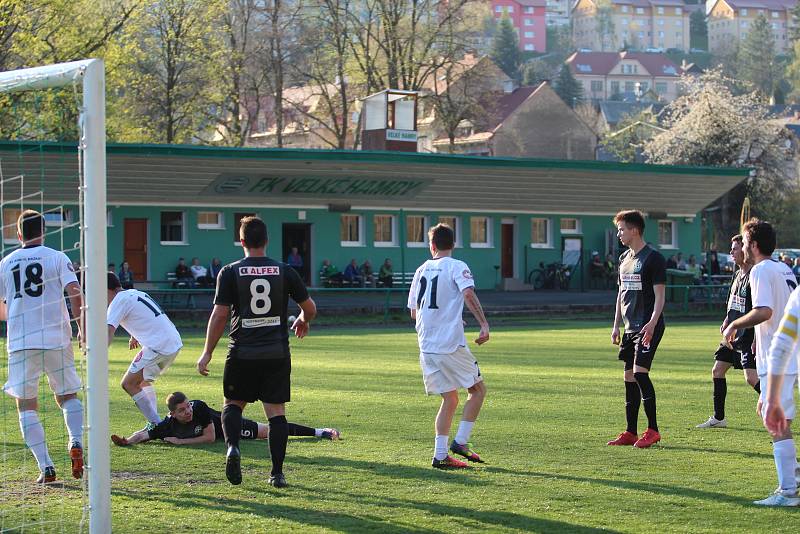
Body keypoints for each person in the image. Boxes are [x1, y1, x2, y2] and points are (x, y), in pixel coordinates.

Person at [196, 216, 317, 488]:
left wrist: (207, 353)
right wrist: (302, 320)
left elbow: (219, 315)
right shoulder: (285, 270)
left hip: (242, 352)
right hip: (276, 353)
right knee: (276, 413)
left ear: (242, 242)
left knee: (232, 404)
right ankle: (276, 473)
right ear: (267, 241)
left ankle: (233, 448)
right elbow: (310, 308)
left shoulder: (229, 271)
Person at [0, 210, 84, 483]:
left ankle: (46, 467)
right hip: (56, 339)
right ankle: (75, 441)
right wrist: (81, 328)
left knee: (26, 405)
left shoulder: (6, 262)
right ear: (44, 231)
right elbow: (75, 291)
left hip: (21, 342)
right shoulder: (57, 257)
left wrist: (14, 313)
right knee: (67, 395)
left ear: (19, 233)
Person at [723, 219, 799, 506]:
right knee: (770, 414)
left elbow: (764, 310)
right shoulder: (783, 267)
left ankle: (788, 492)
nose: (741, 247)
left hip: (777, 358)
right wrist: (757, 336)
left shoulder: (760, 270)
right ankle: (793, 472)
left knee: (776, 422)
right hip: (789, 353)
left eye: (743, 242)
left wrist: (735, 325)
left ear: (753, 245)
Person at [408, 223, 490, 469]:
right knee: (477, 390)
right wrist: (483, 324)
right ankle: (461, 442)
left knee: (450, 399)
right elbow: (467, 294)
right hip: (449, 345)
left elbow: (415, 312)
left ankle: (440, 455)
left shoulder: (421, 269)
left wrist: (451, 316)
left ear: (431, 246)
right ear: (453, 244)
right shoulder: (457, 266)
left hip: (426, 347)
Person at [608, 210, 666, 449]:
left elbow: (660, 297)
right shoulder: (624, 259)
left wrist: (652, 323)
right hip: (630, 328)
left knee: (640, 373)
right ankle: (631, 431)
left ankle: (652, 430)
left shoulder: (653, 258)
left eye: (622, 229)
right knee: (629, 377)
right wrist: (615, 326)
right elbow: (621, 294)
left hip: (648, 325)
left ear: (635, 230)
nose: (619, 234)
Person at [111, 391, 340, 446]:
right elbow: (146, 433)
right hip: (221, 433)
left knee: (270, 430)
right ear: (172, 414)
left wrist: (180, 442)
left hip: (229, 425)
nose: (187, 411)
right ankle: (319, 432)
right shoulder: (167, 425)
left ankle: (320, 431)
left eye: (187, 406)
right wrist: (127, 441)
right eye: (181, 410)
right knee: (270, 431)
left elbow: (210, 438)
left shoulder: (198, 407)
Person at [696, 235, 760, 429]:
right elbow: (733, 303)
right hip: (732, 336)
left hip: (747, 335)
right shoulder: (737, 274)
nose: (731, 252)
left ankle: (776, 405)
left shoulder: (755, 276)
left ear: (746, 250)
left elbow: (760, 310)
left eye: (735, 248)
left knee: (751, 378)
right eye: (731, 248)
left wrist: (757, 337)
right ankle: (719, 418)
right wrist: (727, 320)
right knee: (718, 370)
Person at [108, 272, 183, 426]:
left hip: (158, 346)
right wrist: (135, 335)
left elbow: (108, 331)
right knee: (141, 382)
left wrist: (96, 355)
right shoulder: (135, 293)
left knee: (128, 384)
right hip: (173, 342)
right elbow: (147, 314)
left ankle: (157, 425)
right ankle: (155, 422)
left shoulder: (117, 300)